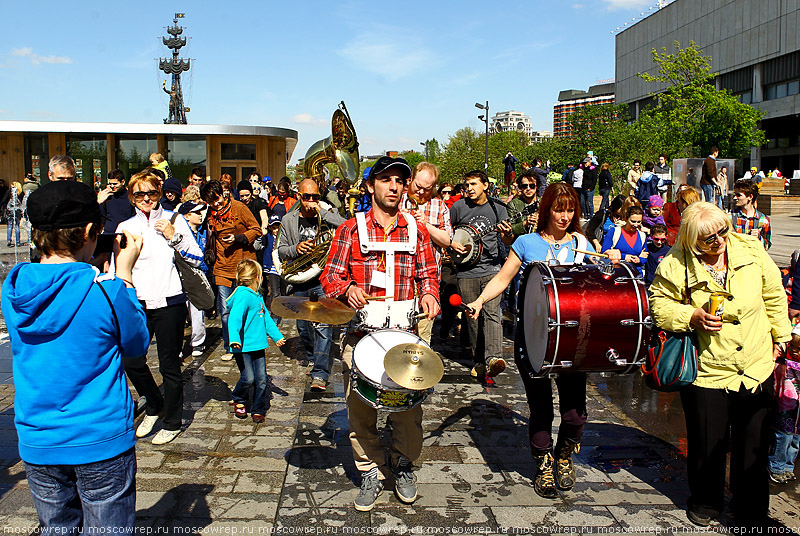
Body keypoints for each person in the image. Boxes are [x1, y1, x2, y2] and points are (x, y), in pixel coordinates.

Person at [2, 180, 149, 530]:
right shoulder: (108, 292)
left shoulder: (14, 289)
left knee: (56, 527)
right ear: (88, 232)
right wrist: (124, 273)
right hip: (99, 438)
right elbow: (136, 344)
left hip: (38, 437)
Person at [650, 201, 792, 529]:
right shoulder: (676, 262)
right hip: (708, 369)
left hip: (756, 362)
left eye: (722, 231)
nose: (718, 241)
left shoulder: (751, 248)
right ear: (690, 239)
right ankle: (705, 502)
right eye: (708, 239)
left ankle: (751, 509)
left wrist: (779, 340)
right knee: (706, 441)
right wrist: (691, 316)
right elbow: (659, 305)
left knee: (753, 442)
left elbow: (774, 295)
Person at [320, 156, 439, 512]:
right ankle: (370, 469)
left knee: (408, 411)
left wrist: (430, 293)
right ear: (371, 186)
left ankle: (403, 464)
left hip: (404, 334)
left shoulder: (416, 229)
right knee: (360, 413)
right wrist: (346, 288)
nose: (394, 187)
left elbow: (428, 273)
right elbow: (330, 277)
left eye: (399, 181)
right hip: (361, 335)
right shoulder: (350, 230)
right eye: (385, 180)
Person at [464, 183, 597, 499]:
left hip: (571, 339)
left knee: (575, 412)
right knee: (540, 408)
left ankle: (564, 454)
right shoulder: (526, 243)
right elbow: (502, 278)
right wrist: (480, 300)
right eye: (557, 209)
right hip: (532, 336)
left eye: (569, 210)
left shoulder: (581, 243)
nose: (563, 216)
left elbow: (597, 284)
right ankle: (544, 462)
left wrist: (610, 260)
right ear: (546, 209)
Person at [116, 170, 203, 445]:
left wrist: (173, 236)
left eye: (151, 193)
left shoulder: (173, 220)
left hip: (171, 301)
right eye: (139, 194)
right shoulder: (125, 226)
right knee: (131, 360)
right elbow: (115, 267)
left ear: (159, 193)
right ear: (131, 196)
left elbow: (198, 259)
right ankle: (154, 403)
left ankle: (173, 421)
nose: (146, 199)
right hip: (138, 303)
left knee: (169, 365)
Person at [277, 179, 344, 391]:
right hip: (299, 278)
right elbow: (281, 251)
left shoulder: (327, 214)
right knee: (303, 326)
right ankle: (314, 356)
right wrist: (296, 248)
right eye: (307, 197)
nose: (311, 201)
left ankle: (320, 374)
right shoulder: (289, 220)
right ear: (299, 196)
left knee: (323, 325)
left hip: (322, 279)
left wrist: (322, 212)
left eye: (315, 197)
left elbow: (344, 225)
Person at [450, 170, 514, 381]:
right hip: (466, 271)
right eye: (467, 184)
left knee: (492, 313)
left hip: (492, 269)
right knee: (472, 317)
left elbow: (507, 242)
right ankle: (478, 360)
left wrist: (506, 234)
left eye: (474, 184)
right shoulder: (458, 207)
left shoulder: (498, 208)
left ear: (485, 185)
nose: (469, 188)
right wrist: (453, 245)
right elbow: (448, 234)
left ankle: (493, 359)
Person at [200, 180, 263, 361]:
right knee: (226, 311)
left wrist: (239, 238)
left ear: (223, 193)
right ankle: (231, 346)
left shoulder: (239, 207)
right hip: (221, 266)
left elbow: (256, 229)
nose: (216, 204)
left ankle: (250, 343)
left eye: (217, 198)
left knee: (246, 308)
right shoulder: (209, 214)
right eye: (211, 201)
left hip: (243, 266)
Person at [401, 162, 454, 344]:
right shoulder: (397, 200)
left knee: (422, 338)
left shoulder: (439, 206)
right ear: (411, 179)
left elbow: (447, 240)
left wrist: (426, 224)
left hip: (427, 282)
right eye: (418, 186)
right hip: (399, 281)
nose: (421, 192)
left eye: (428, 188)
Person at [227, 259, 285, 423]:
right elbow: (234, 318)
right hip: (242, 346)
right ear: (258, 277)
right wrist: (234, 339)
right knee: (248, 378)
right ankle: (238, 398)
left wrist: (277, 336)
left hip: (258, 345)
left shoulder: (258, 296)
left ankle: (258, 408)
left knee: (261, 379)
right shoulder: (243, 295)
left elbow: (266, 317)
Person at [179, 201, 210, 356]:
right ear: (186, 216)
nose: (200, 215)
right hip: (181, 275)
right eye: (196, 212)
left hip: (199, 274)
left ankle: (198, 342)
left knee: (197, 310)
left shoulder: (205, 231)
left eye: (201, 212)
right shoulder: (180, 233)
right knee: (179, 312)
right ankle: (176, 345)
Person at [769, 325, 800, 484]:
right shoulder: (783, 360)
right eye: (793, 346)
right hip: (787, 407)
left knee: (796, 440)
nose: (795, 351)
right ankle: (777, 466)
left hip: (798, 413)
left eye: (799, 348)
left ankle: (789, 466)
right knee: (783, 437)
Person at [602, 205, 647, 276]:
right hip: (617, 274)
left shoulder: (642, 235)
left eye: (639, 222)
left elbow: (645, 256)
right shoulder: (614, 232)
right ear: (626, 219)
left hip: (636, 275)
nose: (636, 225)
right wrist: (624, 257)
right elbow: (604, 253)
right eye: (633, 221)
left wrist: (639, 259)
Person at [731, 179, 771, 250]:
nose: (735, 198)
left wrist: (759, 238)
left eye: (738, 195)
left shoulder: (764, 220)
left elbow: (767, 246)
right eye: (735, 195)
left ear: (750, 197)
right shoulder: (730, 218)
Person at [100, 169, 135, 235]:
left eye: (115, 184)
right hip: (108, 234)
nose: (112, 186)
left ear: (122, 182)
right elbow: (102, 217)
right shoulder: (106, 197)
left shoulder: (131, 197)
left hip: (126, 234)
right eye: (110, 184)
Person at [509, 171, 540, 238]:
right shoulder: (513, 204)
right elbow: (509, 228)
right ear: (521, 188)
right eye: (525, 186)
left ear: (537, 186)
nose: (528, 189)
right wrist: (525, 223)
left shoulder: (544, 203)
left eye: (532, 186)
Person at [643, 223, 670, 287]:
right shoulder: (646, 247)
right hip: (648, 283)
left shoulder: (668, 251)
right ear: (651, 236)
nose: (659, 242)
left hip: (662, 284)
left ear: (666, 237)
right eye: (656, 239)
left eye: (663, 239)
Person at [3, 182, 24, 247]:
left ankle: (9, 240)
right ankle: (17, 242)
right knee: (17, 226)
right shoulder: (20, 192)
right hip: (17, 211)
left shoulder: (9, 192)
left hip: (10, 211)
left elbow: (4, 200)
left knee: (10, 226)